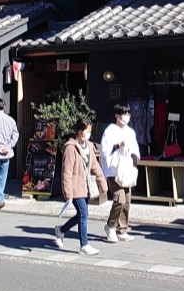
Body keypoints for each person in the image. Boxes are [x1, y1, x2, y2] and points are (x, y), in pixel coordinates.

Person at [53, 121, 106, 255]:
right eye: (87, 131)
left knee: (81, 214)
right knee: (83, 214)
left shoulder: (89, 146)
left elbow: (95, 166)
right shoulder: (70, 148)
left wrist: (102, 182)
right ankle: (84, 244)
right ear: (80, 131)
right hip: (75, 186)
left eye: (90, 131)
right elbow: (67, 171)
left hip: (85, 186)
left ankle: (61, 230)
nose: (89, 134)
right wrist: (68, 192)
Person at [100, 103, 140, 242]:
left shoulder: (130, 132)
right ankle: (110, 226)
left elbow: (135, 150)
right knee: (119, 199)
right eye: (124, 113)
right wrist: (118, 145)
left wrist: (135, 164)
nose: (127, 116)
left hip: (127, 170)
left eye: (128, 113)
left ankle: (122, 229)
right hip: (113, 170)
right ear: (117, 116)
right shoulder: (110, 131)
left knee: (127, 200)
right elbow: (104, 150)